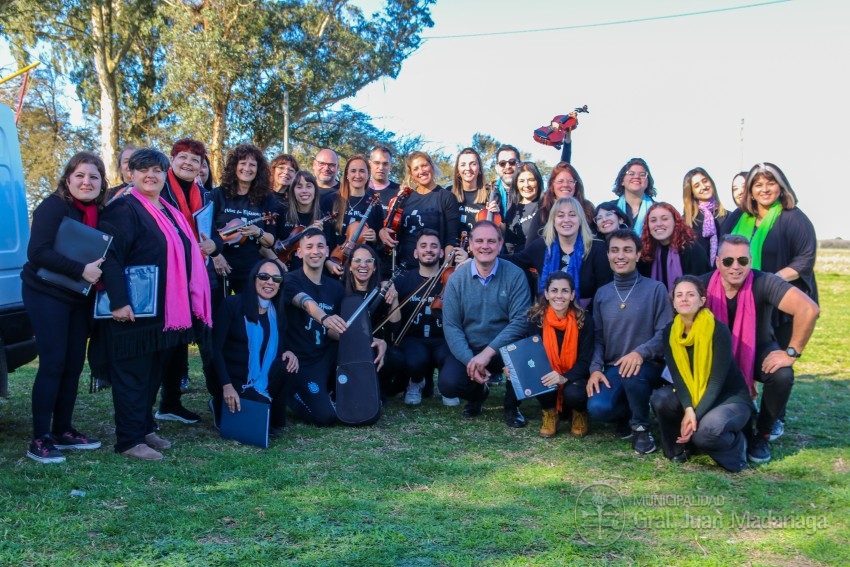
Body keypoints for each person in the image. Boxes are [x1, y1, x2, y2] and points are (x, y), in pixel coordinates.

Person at [99, 148, 212, 460]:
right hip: (132, 310)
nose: (151, 175)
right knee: (132, 374)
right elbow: (109, 256)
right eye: (143, 169)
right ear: (131, 174)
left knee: (151, 373)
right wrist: (119, 302)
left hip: (162, 310)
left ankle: (145, 427)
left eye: (157, 170)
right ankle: (129, 439)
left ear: (165, 175)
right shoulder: (123, 209)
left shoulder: (167, 210)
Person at [21, 152, 108, 463]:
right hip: (45, 293)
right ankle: (40, 438)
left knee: (73, 364)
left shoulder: (99, 212)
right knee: (53, 363)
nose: (87, 181)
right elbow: (37, 252)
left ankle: (63, 430)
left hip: (76, 297)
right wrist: (80, 270)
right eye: (80, 175)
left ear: (102, 183)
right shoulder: (54, 206)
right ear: (68, 179)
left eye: (94, 177)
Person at [701, 235, 819, 464]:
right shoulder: (702, 285)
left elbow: (808, 309)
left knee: (782, 375)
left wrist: (791, 353)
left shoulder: (763, 281)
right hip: (716, 355)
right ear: (717, 262)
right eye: (728, 261)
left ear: (750, 261)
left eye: (742, 261)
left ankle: (763, 433)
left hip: (757, 349)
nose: (736, 267)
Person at [650, 276, 753, 472]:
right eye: (679, 295)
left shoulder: (717, 330)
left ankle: (737, 447)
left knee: (705, 434)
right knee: (661, 398)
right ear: (673, 301)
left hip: (728, 399)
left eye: (690, 294)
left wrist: (692, 415)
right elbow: (678, 377)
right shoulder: (670, 332)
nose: (684, 299)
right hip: (694, 395)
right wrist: (688, 409)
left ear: (702, 300)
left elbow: (715, 382)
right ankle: (679, 448)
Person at [586, 229, 672, 455]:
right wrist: (595, 369)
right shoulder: (602, 294)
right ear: (608, 255)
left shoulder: (655, 289)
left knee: (633, 373)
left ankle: (641, 428)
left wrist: (640, 353)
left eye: (627, 250)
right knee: (598, 407)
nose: (620, 256)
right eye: (614, 250)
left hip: (648, 366)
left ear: (638, 254)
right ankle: (627, 413)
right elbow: (597, 338)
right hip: (615, 366)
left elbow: (665, 332)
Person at [155, 138, 220, 425]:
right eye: (183, 157)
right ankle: (152, 408)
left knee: (189, 340)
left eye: (195, 160)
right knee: (166, 343)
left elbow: (213, 233)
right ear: (172, 160)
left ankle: (172, 402)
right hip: (169, 277)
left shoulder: (204, 196)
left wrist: (212, 246)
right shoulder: (158, 189)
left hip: (198, 274)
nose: (188, 164)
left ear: (201, 167)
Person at [441, 221, 531, 427]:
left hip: (505, 348)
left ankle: (512, 406)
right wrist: (470, 360)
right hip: (471, 348)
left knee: (521, 358)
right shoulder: (456, 279)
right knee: (448, 384)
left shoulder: (516, 275)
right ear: (470, 245)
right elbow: (452, 326)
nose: (485, 246)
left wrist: (488, 353)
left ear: (500, 245)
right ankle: (477, 395)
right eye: (479, 241)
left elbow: (520, 322)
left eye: (491, 241)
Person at [725, 162, 818, 348]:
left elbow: (805, 259)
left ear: (781, 187)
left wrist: (771, 281)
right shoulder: (737, 216)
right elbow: (722, 249)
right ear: (750, 191)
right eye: (758, 185)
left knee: (776, 365)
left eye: (771, 184)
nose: (765, 190)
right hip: (741, 296)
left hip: (779, 300)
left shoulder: (794, 218)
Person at [209, 259, 298, 436]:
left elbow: (275, 351)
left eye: (276, 279)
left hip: (259, 380)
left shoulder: (277, 311)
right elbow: (215, 350)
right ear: (254, 278)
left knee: (288, 367)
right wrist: (226, 386)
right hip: (233, 379)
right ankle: (218, 402)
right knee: (250, 416)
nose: (270, 282)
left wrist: (287, 353)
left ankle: (271, 418)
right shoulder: (232, 305)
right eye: (264, 276)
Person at [393, 229, 468, 405]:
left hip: (443, 339)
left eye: (434, 246)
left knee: (450, 360)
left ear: (442, 252)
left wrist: (466, 267)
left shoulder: (452, 278)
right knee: (415, 361)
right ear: (415, 252)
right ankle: (417, 381)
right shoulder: (403, 279)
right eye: (423, 246)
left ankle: (446, 386)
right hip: (414, 339)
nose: (429, 250)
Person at [281, 228, 346, 425]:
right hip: (300, 361)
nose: (315, 251)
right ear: (299, 253)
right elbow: (305, 302)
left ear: (327, 251)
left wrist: (368, 340)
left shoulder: (336, 287)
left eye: (319, 246)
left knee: (355, 350)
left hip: (324, 356)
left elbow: (336, 332)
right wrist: (324, 317)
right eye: (308, 247)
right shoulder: (290, 280)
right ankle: (289, 396)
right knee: (326, 418)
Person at [502, 197, 612, 306]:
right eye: (560, 215)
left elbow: (604, 291)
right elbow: (514, 260)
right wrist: (488, 253)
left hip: (587, 317)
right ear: (553, 221)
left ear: (580, 220)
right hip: (548, 317)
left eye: (572, 215)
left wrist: (581, 317)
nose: (566, 220)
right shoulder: (541, 246)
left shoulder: (597, 248)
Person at [522, 272, 594, 438]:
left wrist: (564, 377)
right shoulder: (535, 319)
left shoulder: (584, 320)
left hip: (576, 375)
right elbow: (529, 355)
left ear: (572, 294)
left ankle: (579, 412)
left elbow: (585, 361)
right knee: (539, 378)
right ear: (546, 294)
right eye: (554, 290)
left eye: (565, 291)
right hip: (548, 373)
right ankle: (550, 412)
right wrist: (512, 366)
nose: (559, 296)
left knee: (573, 394)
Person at [211, 143, 277, 295]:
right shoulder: (218, 194)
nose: (247, 168)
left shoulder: (267, 199)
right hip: (219, 265)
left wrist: (257, 232)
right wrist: (216, 256)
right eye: (243, 163)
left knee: (248, 313)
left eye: (252, 165)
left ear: (258, 170)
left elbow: (270, 240)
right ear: (234, 166)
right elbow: (205, 231)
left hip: (250, 269)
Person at [381, 151, 460, 268]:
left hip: (434, 270)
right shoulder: (405, 198)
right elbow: (392, 229)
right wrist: (383, 231)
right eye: (416, 168)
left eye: (424, 165)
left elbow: (451, 238)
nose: (421, 171)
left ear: (431, 166)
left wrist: (445, 268)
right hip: (404, 269)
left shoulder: (446, 197)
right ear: (411, 174)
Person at [321, 154, 392, 278]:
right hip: (334, 264)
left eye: (362, 171)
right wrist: (327, 262)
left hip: (361, 271)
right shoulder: (331, 200)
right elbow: (323, 236)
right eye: (353, 171)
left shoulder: (374, 204)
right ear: (347, 175)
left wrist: (374, 239)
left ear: (368, 175)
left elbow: (380, 248)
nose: (357, 175)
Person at [638, 202, 711, 291]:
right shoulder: (646, 252)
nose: (659, 224)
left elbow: (702, 286)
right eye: (653, 220)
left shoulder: (692, 249)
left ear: (675, 222)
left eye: (664, 219)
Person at [273, 170, 334, 273]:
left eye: (309, 186)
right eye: (299, 187)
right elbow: (271, 244)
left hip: (312, 274)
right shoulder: (282, 212)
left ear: (315, 190)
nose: (304, 191)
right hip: (285, 271)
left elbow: (326, 252)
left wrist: (319, 235)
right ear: (293, 191)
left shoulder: (322, 218)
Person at [526, 162, 595, 240]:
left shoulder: (588, 209)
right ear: (552, 185)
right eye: (560, 181)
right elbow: (530, 248)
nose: (565, 185)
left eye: (570, 181)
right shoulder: (543, 214)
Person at [449, 148, 501, 237]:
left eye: (473, 164)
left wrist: (496, 214)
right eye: (463, 165)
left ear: (479, 168)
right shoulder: (449, 193)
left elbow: (500, 232)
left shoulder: (491, 194)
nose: (468, 168)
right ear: (457, 170)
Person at [602, 158, 658, 237]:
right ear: (622, 181)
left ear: (648, 181)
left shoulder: (658, 209)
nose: (636, 177)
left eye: (642, 174)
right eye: (631, 173)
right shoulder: (609, 209)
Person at [682, 167, 727, 265]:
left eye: (705, 181)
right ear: (691, 192)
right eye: (697, 185)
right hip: (697, 276)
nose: (703, 187)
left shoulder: (729, 217)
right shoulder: (685, 222)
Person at [504, 163, 543, 254]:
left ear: (538, 181)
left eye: (531, 180)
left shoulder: (546, 205)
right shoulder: (512, 209)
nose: (526, 185)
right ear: (516, 184)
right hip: (514, 263)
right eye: (521, 181)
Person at [492, 145, 521, 214]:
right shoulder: (488, 193)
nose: (507, 167)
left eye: (512, 162)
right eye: (502, 163)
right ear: (496, 167)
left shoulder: (529, 192)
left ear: (519, 164)